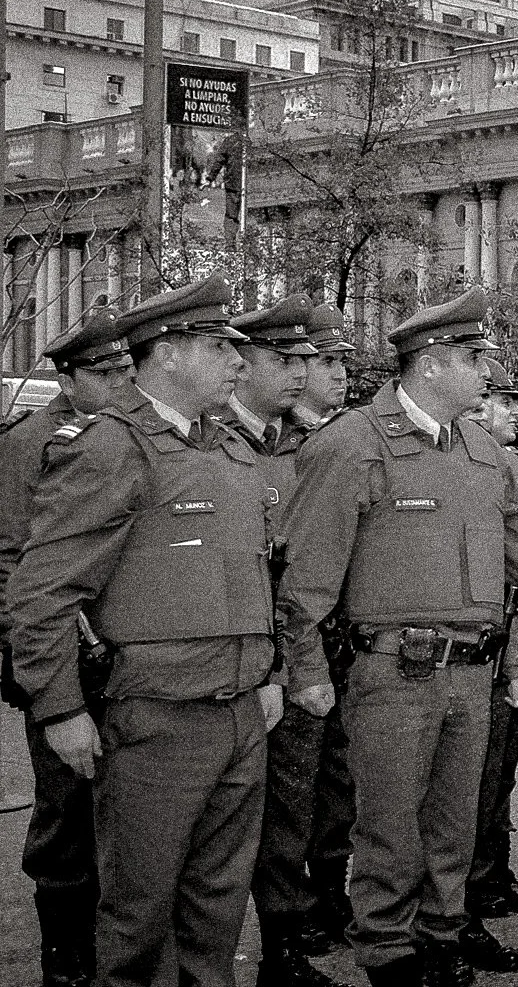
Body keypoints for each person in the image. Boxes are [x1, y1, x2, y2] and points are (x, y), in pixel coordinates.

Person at [8, 276, 289, 987]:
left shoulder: (228, 452)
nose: (237, 360)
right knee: (138, 919)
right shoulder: (111, 448)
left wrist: (271, 674)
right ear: (165, 355)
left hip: (238, 714)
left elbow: (259, 579)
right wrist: (61, 707)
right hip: (156, 721)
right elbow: (43, 591)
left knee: (216, 913)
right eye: (219, 345)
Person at [282, 287, 518, 987]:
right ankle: (390, 953)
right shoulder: (350, 445)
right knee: (390, 829)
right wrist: (305, 670)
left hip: (473, 671)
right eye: (472, 357)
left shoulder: (484, 451)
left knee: (455, 828)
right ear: (429, 364)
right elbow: (305, 577)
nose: (485, 371)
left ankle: (439, 936)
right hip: (394, 672)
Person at [0, 308, 134, 987]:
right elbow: (14, 555)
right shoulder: (35, 441)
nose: (119, 381)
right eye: (104, 372)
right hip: (61, 650)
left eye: (125, 369)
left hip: (121, 651)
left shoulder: (126, 434)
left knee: (119, 802)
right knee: (65, 807)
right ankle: (64, 953)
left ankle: (110, 939)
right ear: (68, 377)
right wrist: (22, 656)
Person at [227, 297, 352, 987]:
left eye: (308, 362)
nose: (302, 376)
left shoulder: (313, 446)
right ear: (238, 363)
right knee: (242, 814)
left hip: (313, 647)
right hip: (243, 656)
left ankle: (289, 936)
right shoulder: (217, 445)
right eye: (286, 361)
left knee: (307, 801)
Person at [459, 358, 518, 968]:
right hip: (457, 647)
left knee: (495, 774)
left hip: (501, 639)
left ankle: (482, 879)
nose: (514, 410)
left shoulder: (507, 464)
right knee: (464, 789)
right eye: (500, 399)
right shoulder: (469, 462)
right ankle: (457, 905)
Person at [294, 304, 359, 948]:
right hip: (291, 637)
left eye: (343, 364)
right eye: (325, 364)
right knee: (290, 786)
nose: (339, 376)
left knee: (337, 777)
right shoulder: (271, 444)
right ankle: (291, 911)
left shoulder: (344, 438)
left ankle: (331, 887)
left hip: (342, 638)